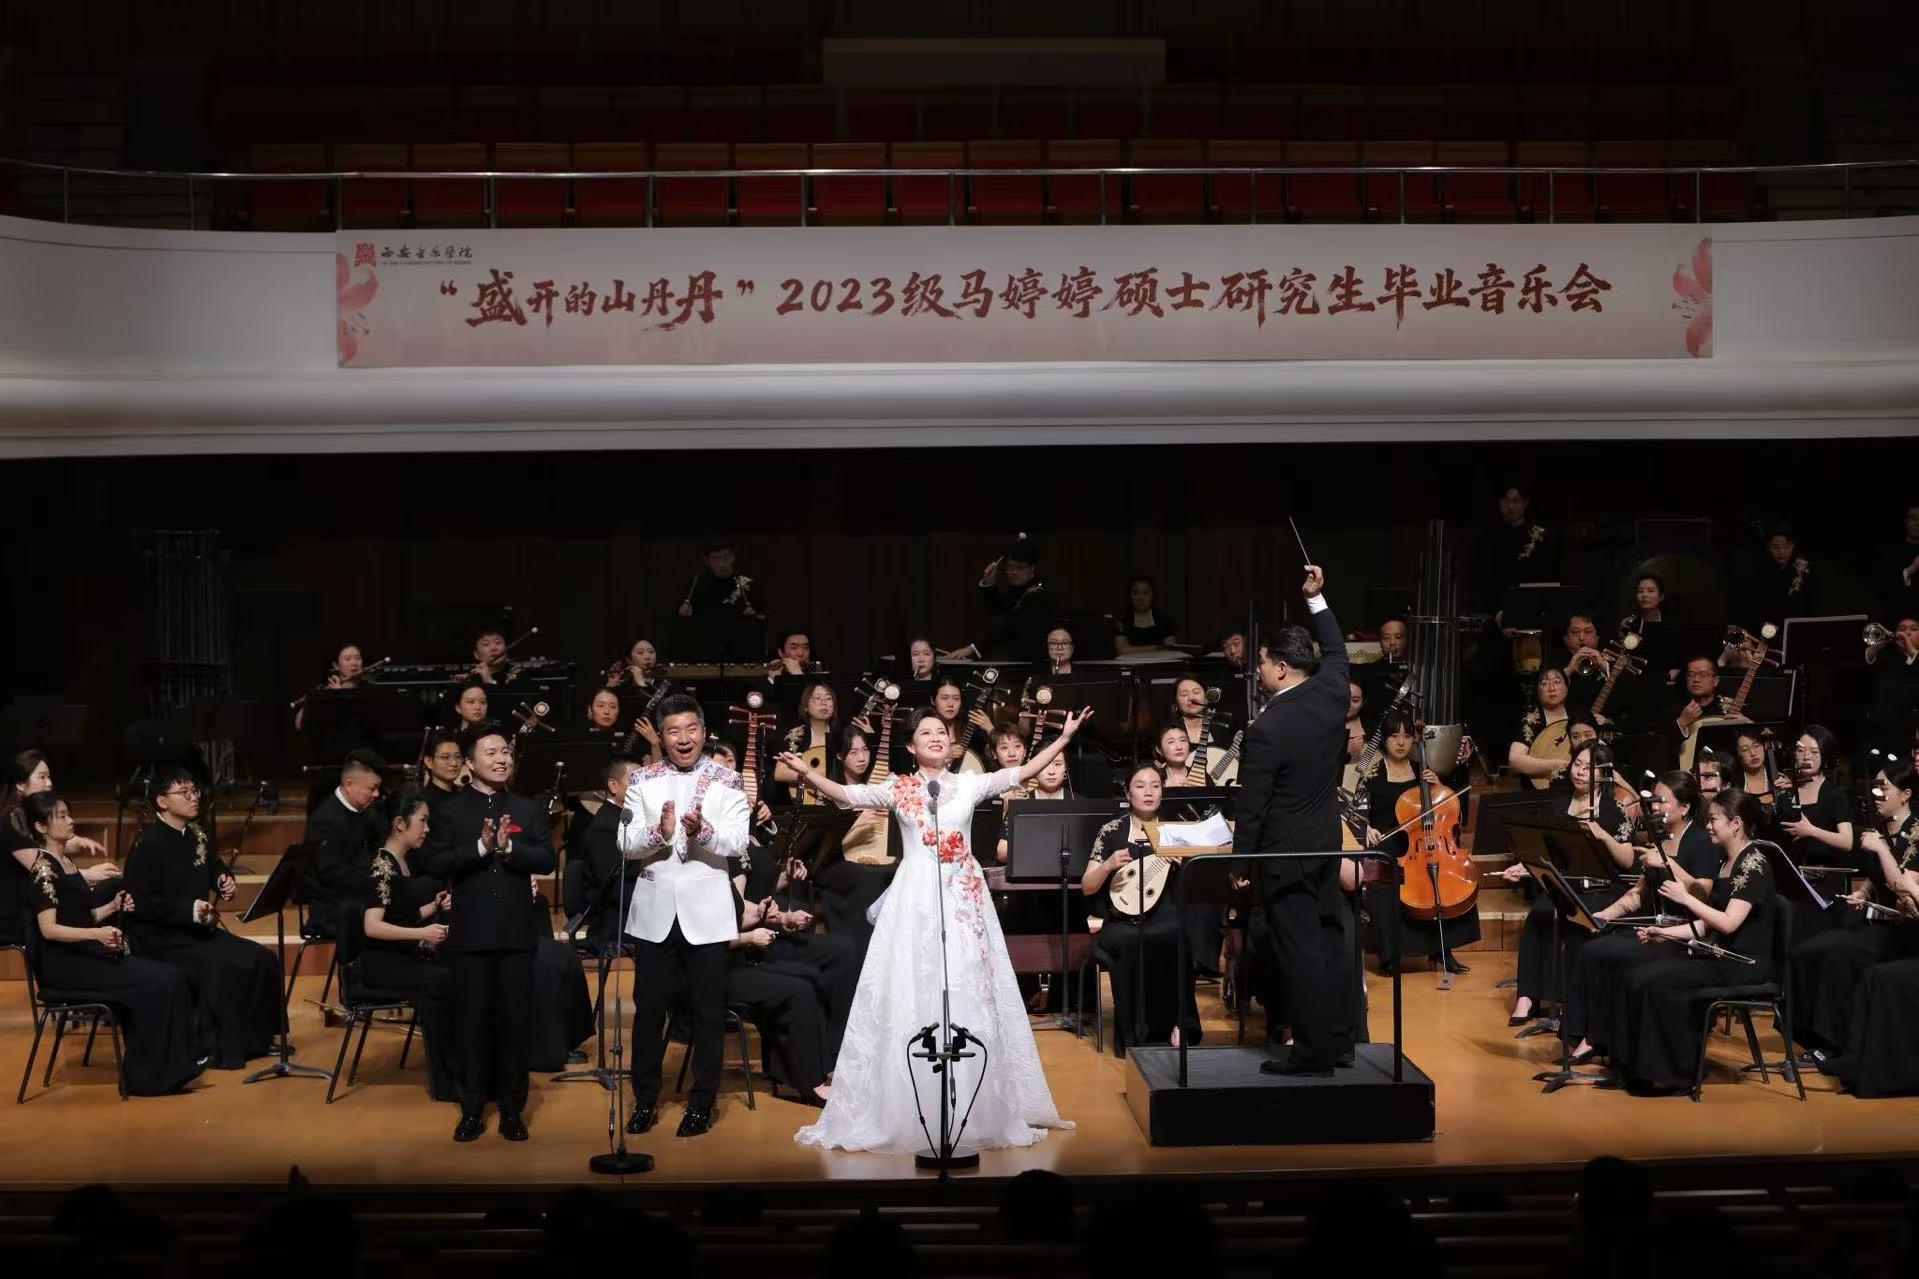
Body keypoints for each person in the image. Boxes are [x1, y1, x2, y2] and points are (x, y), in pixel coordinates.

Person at [780, 700, 1091, 1152]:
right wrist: (805, 774)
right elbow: (847, 796)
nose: (936, 738)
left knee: (967, 983)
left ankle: (974, 1099)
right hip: (914, 897)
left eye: (942, 732)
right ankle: (910, 1101)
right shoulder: (899, 787)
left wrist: (1063, 739)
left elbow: (1021, 773)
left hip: (962, 896)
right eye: (926, 733)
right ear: (911, 746)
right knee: (912, 983)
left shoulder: (969, 784)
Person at [1235, 565, 1353, 1077]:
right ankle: (1340, 1042)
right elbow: (1339, 652)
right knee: (1329, 943)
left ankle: (1312, 1052)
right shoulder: (1332, 692)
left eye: (1263, 662)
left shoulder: (1269, 727)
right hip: (1325, 844)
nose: (1259, 669)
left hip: (1286, 856)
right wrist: (1317, 599)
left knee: (1301, 953)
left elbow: (1253, 804)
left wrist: (1240, 863)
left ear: (1282, 668)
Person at [618, 694, 751, 1140]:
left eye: (691, 729)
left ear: (703, 732)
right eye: (673, 731)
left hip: (707, 914)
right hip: (654, 913)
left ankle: (701, 1104)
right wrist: (661, 832)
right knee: (649, 1012)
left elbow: (738, 840)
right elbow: (625, 843)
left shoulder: (727, 780)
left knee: (708, 1014)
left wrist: (703, 832)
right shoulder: (642, 779)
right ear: (660, 736)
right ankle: (644, 1100)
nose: (683, 738)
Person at [1591, 788, 1778, 1095]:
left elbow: (1728, 923)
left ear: (1736, 824)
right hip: (1718, 954)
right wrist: (1664, 933)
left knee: (1658, 982)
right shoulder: (1727, 860)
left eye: (1714, 820)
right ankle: (1631, 1067)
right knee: (1636, 974)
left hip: (1742, 964)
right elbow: (1706, 924)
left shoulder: (1753, 864)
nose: (1708, 826)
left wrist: (1685, 898)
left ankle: (1674, 1075)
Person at [422, 721, 555, 1143]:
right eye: (492, 753)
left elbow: (547, 858)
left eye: (506, 753)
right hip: (470, 935)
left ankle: (513, 1110)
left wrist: (509, 847)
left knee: (514, 1024)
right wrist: (481, 848)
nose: (502, 760)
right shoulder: (449, 810)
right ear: (469, 762)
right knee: (472, 1024)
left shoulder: (528, 808)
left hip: (516, 933)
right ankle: (472, 1109)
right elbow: (437, 862)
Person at [20, 792, 202, 1095]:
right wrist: (97, 935)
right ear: (41, 827)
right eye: (61, 816)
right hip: (66, 968)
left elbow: (84, 916)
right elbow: (49, 930)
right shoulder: (43, 871)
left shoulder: (66, 862)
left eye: (69, 813)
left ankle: (173, 1069)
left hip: (84, 956)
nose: (70, 820)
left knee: (171, 976)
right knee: (159, 982)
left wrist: (112, 907)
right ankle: (147, 1078)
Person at [123, 767, 282, 1070]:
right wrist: (187, 910)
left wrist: (222, 879)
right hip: (163, 938)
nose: (194, 797)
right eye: (184, 793)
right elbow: (138, 903)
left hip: (197, 932)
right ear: (162, 802)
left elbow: (213, 865)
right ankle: (221, 1047)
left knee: (261, 958)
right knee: (222, 966)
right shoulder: (147, 846)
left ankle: (258, 1039)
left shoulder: (197, 834)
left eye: (194, 791)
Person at [1562, 771, 1721, 1063]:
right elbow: (1638, 893)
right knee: (1591, 949)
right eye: (1654, 799)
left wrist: (1668, 864)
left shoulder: (1701, 842)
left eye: (1663, 801)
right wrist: (1604, 915)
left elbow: (1703, 894)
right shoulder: (1659, 838)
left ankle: (1599, 1038)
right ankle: (1583, 1034)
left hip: (1682, 935)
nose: (1655, 806)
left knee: (1615, 956)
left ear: (1685, 807)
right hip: (1652, 927)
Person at [1499, 739, 1637, 1024]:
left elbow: (1627, 860)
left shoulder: (1614, 809)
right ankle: (1528, 995)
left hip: (1601, 886)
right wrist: (1523, 867)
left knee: (1575, 920)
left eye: (1589, 767)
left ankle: (1570, 1002)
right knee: (1539, 914)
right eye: (1577, 764)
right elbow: (1547, 851)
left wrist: (1602, 835)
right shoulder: (1559, 805)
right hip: (1566, 882)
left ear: (1604, 774)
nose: (1581, 771)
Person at [1791, 762, 1918, 1064]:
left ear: (1905, 794)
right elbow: (1876, 878)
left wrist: (1881, 850)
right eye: (1874, 787)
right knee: (1807, 950)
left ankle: (1834, 1044)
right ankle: (1804, 1033)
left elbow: (1903, 886)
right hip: (1876, 922)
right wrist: (1863, 893)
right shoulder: (1882, 826)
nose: (1876, 794)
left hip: (1904, 931)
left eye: (1883, 788)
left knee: (1839, 955)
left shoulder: (1916, 832)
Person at [1082, 762, 1202, 1050]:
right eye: (1140, 786)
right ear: (1128, 793)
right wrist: (1108, 864)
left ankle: (1180, 1024)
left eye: (1155, 786)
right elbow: (1087, 886)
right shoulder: (1111, 831)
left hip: (1166, 915)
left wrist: (1185, 866)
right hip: (1121, 920)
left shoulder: (1175, 830)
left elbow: (1197, 888)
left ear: (1162, 791)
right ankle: (1134, 1032)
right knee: (1129, 940)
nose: (1148, 792)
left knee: (1179, 936)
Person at [1358, 714, 1480, 975]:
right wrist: (1366, 828)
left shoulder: (1422, 771)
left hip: (1424, 843)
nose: (1401, 742)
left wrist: (1438, 786)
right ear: (1385, 740)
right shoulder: (1372, 775)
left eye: (1407, 736)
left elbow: (1444, 809)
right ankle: (1390, 957)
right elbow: (1357, 812)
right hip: (1388, 846)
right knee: (1382, 888)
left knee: (1448, 879)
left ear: (1415, 740)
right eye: (1394, 736)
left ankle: (1443, 952)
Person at [359, 788, 457, 1102]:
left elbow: (403, 914)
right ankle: (447, 1082)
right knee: (441, 979)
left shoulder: (401, 862)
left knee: (455, 971)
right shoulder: (382, 867)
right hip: (382, 964)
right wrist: (422, 934)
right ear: (400, 824)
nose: (427, 828)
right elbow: (372, 926)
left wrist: (433, 907)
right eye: (422, 821)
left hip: (401, 957)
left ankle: (459, 1068)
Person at [299, 749, 384, 944]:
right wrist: (377, 886)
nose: (377, 794)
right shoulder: (324, 820)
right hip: (333, 908)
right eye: (372, 788)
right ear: (349, 784)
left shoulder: (368, 812)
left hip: (359, 895)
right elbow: (332, 874)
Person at [951, 533, 1054, 666]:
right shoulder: (1015, 590)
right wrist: (990, 583)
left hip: (1028, 665)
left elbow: (1007, 626)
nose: (1014, 572)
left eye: (1020, 567)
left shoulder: (1038, 595)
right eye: (1010, 567)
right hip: (1011, 660)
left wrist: (973, 648)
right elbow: (995, 611)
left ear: (1032, 568)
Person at [1863, 617, 1919, 765]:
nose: (1906, 633)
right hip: (1880, 730)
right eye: (1901, 629)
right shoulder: (1887, 658)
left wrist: (1911, 649)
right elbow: (1867, 662)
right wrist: (1878, 645)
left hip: (1909, 733)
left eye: (1913, 629)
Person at [772, 679, 839, 801]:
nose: (824, 702)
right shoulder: (796, 735)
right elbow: (780, 773)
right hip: (806, 799)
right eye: (817, 698)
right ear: (806, 707)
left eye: (829, 698)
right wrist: (820, 775)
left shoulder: (843, 734)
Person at [1508, 667, 1575, 789]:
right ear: (1537, 691)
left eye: (1557, 682)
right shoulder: (1531, 719)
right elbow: (1515, 760)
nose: (1552, 688)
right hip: (1538, 789)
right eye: (1544, 683)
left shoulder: (1577, 716)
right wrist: (1556, 765)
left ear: (1566, 687)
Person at [291, 642, 370, 733]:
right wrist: (310, 699)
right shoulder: (327, 692)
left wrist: (341, 695)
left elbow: (359, 724)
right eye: (347, 659)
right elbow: (300, 725)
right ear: (336, 666)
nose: (354, 663)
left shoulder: (369, 689)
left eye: (357, 658)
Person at [1748, 522, 1816, 626]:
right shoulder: (1761, 570)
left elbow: (1811, 605)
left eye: (1786, 547)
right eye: (1776, 548)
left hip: (1799, 627)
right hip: (1769, 628)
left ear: (1793, 546)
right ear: (1769, 547)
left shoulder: (1804, 569)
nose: (1781, 552)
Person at [678, 541, 761, 618]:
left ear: (732, 557)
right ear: (707, 561)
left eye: (726, 557)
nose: (722, 564)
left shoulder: (746, 584)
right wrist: (683, 615)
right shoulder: (695, 585)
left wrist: (753, 617)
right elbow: (678, 618)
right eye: (715, 559)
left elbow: (762, 617)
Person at [1112, 576, 1178, 654]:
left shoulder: (1164, 620)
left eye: (1145, 593)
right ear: (1130, 596)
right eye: (1136, 593)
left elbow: (1170, 648)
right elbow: (1122, 650)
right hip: (1131, 661)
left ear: (1152, 595)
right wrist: (1157, 648)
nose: (1141, 597)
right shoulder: (1121, 620)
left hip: (1160, 661)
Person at [419, 729, 466, 820]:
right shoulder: (424, 803)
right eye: (445, 757)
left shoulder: (464, 794)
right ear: (429, 761)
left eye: (458, 757)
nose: (454, 763)